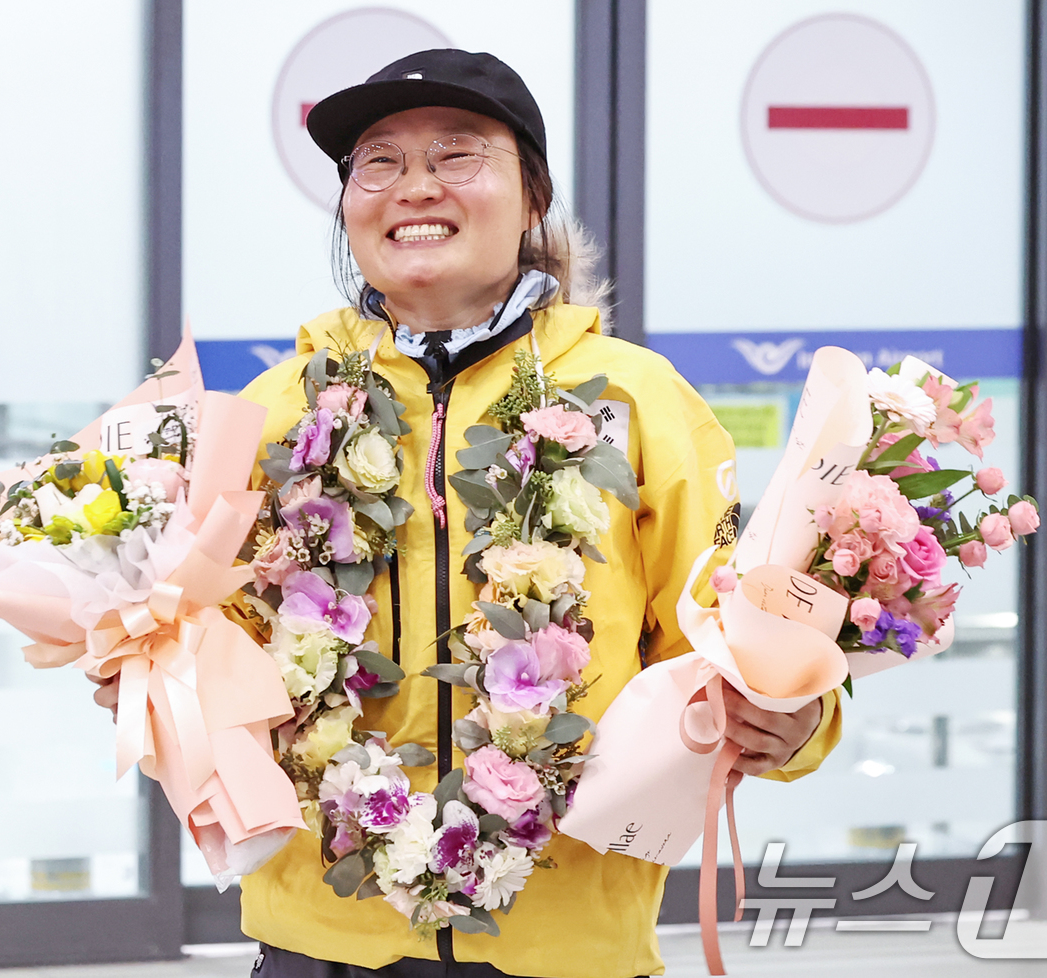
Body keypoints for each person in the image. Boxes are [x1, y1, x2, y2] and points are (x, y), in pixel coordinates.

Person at [96, 48, 841, 978]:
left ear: (533, 198)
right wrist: (148, 671)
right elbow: (220, 648)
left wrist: (798, 720)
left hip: (569, 940)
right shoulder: (275, 412)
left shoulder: (637, 401)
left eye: (456, 155)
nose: (415, 187)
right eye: (378, 162)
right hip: (320, 935)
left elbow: (725, 633)